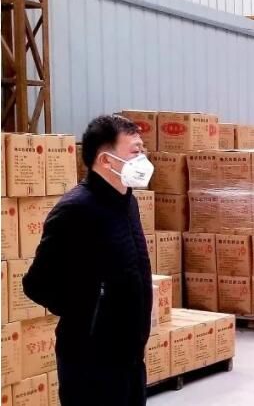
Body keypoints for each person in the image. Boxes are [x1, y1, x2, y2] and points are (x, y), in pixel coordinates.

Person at [23, 115, 155, 406]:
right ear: (106, 160)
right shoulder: (76, 210)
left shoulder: (128, 202)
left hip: (130, 358)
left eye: (142, 150)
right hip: (91, 363)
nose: (142, 159)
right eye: (134, 151)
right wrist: (89, 312)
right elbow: (36, 284)